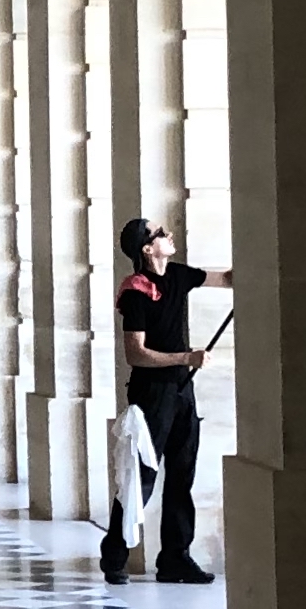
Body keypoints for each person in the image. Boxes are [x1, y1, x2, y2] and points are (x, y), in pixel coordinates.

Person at [106, 214, 228, 584]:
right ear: (147, 248)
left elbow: (224, 278)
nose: (169, 234)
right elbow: (136, 354)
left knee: (182, 474)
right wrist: (185, 357)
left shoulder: (177, 276)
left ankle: (176, 557)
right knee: (140, 475)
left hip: (181, 390)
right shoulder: (135, 292)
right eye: (160, 233)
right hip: (151, 393)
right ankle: (114, 556)